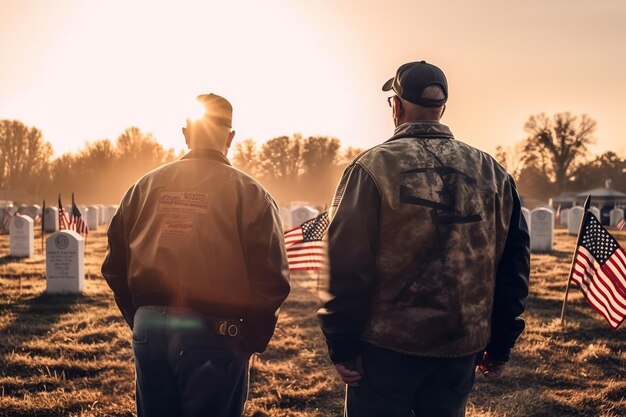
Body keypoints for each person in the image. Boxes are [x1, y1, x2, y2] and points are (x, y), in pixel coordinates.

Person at [318, 61, 530, 416]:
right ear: (441, 108)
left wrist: (341, 344)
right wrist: (501, 341)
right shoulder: (493, 172)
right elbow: (513, 265)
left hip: (385, 348)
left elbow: (346, 264)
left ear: (396, 107)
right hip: (460, 347)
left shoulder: (371, 167)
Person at [102, 93, 290, 417]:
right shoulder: (251, 194)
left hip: (148, 326)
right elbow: (271, 277)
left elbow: (114, 266)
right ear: (230, 138)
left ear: (186, 133)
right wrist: (250, 340)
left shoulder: (142, 188)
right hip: (214, 331)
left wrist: (141, 317)